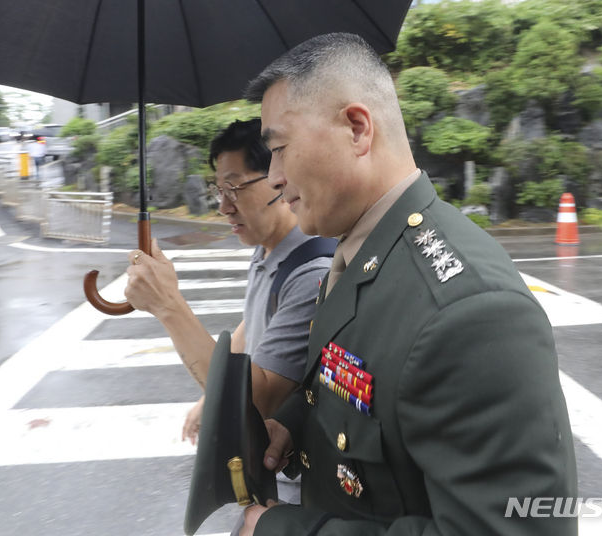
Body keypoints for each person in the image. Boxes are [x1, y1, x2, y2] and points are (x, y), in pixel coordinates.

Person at [240, 33, 578, 535]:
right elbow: (363, 384)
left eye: (280, 149)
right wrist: (296, 422)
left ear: (357, 129)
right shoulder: (363, 251)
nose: (273, 176)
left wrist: (283, 532)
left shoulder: (470, 313)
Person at [123, 118, 332, 507]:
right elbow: (251, 328)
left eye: (234, 187)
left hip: (293, 497)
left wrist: (169, 305)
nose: (222, 206)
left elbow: (259, 402)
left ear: (278, 176)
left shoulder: (311, 273)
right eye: (218, 189)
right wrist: (208, 399)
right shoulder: (268, 248)